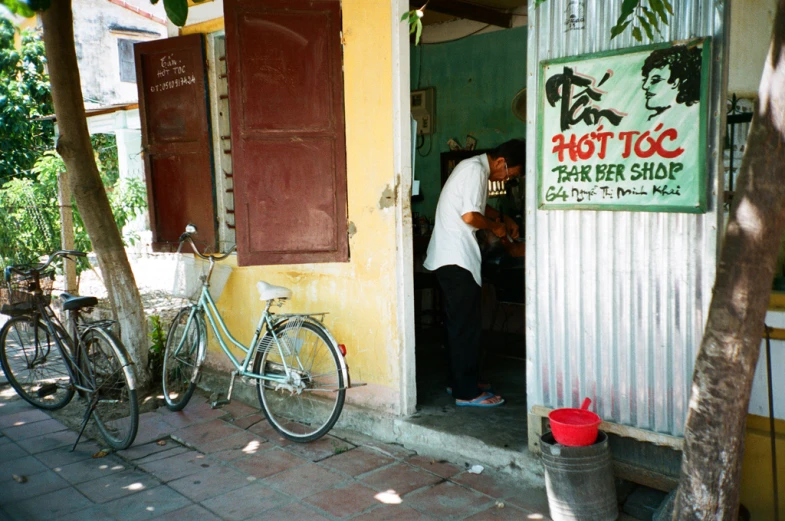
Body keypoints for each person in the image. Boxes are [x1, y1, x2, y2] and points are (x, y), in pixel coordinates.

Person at [423, 139, 525, 407]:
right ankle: (466, 393)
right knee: (464, 327)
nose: (506, 179)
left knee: (461, 325)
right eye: (510, 174)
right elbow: (470, 217)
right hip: (455, 259)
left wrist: (505, 219)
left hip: (453, 258)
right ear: (502, 162)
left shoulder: (474, 168)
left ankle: (460, 381)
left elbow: (476, 207)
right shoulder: (475, 171)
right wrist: (496, 227)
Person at [641, 45, 702, 120]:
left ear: (676, 83)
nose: (645, 86)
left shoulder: (688, 118)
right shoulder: (646, 118)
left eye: (655, 80)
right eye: (645, 79)